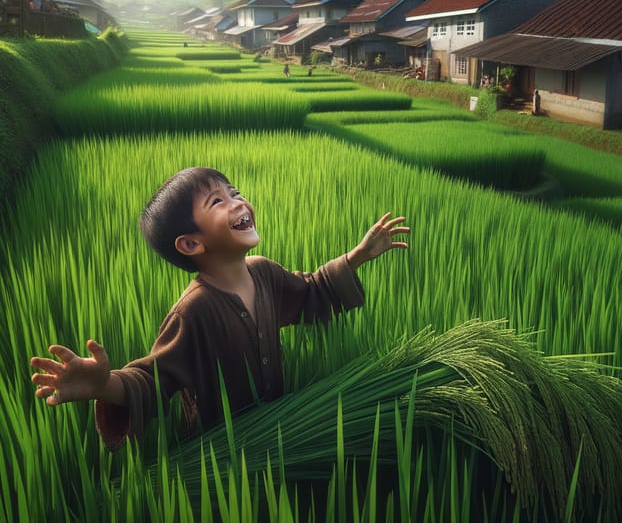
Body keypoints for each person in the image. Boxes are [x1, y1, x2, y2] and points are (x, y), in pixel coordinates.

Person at [30, 167, 410, 449]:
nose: (238, 202)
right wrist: (104, 384)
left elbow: (310, 291)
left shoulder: (264, 274)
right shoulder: (192, 313)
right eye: (218, 201)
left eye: (234, 192)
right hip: (221, 450)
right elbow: (153, 378)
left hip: (277, 431)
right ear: (192, 244)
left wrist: (356, 257)